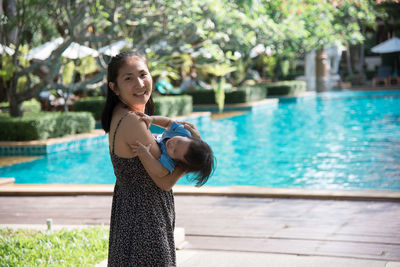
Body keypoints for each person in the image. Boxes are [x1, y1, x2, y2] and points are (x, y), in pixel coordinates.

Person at [101, 51, 201, 266]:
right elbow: (164, 182)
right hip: (145, 217)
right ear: (114, 87)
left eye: (143, 74)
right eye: (128, 78)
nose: (139, 83)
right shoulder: (132, 122)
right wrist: (190, 156)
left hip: (130, 210)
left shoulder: (121, 114)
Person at [131, 113, 215, 187]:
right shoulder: (183, 132)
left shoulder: (169, 160)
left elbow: (161, 171)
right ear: (188, 137)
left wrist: (145, 154)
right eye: (179, 141)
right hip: (157, 137)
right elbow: (168, 122)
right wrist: (152, 119)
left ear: (178, 163)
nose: (172, 144)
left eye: (175, 151)